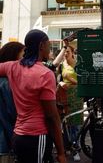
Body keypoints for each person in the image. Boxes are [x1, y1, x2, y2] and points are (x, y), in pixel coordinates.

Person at [0, 29, 67, 163]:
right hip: (37, 135)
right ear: (41, 46)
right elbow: (52, 117)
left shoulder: (12, 67)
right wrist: (61, 152)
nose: (50, 50)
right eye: (49, 45)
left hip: (18, 136)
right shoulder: (45, 74)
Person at [0, 42, 25, 163]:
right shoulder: (7, 83)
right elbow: (14, 113)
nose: (25, 59)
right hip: (4, 142)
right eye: (23, 55)